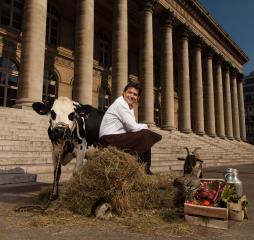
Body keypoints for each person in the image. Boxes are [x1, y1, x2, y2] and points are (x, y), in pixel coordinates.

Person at [99, 81, 162, 175]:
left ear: (137, 98)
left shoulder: (129, 107)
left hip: (114, 137)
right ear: (123, 93)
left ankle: (142, 168)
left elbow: (131, 127)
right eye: (129, 92)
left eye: (135, 94)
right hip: (108, 139)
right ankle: (145, 169)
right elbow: (132, 127)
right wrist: (146, 126)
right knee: (145, 135)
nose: (132, 96)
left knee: (144, 137)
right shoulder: (121, 104)